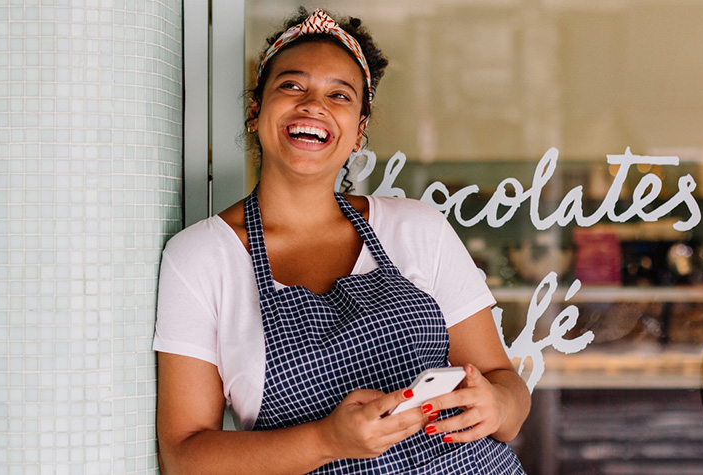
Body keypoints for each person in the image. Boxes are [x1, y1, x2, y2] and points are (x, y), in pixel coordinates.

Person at [153, 8, 530, 474]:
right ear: (256, 111)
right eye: (292, 86)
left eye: (340, 95)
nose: (314, 105)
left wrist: (497, 405)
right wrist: (326, 440)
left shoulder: (418, 229)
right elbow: (184, 457)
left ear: (358, 131)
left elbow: (505, 388)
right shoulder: (201, 258)